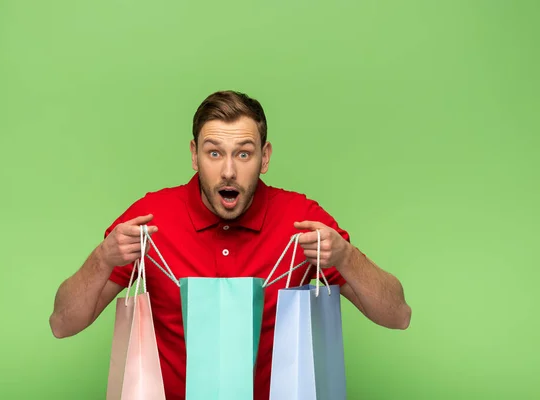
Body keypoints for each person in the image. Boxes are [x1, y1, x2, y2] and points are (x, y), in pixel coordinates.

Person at [49, 90, 411, 399]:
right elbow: (63, 324)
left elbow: (397, 315)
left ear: (264, 157)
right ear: (194, 155)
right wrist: (102, 258)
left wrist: (346, 257)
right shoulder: (150, 220)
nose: (228, 172)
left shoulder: (301, 220)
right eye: (214, 153)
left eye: (243, 153)